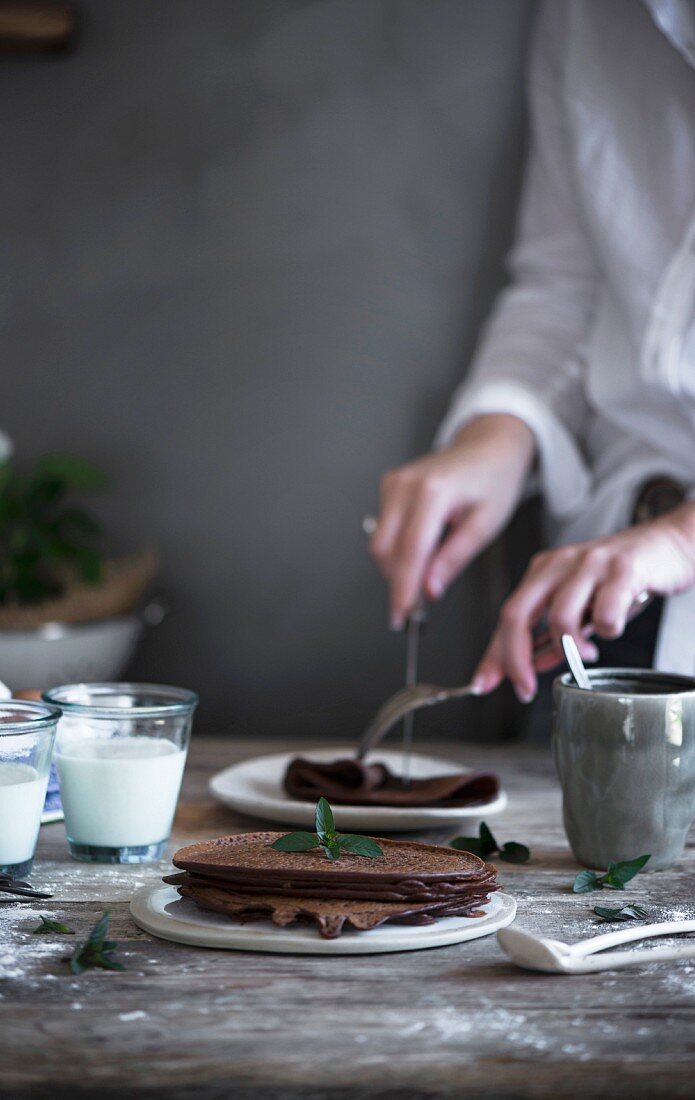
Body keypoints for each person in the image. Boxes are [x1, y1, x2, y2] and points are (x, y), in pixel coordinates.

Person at [370, 0, 695, 705]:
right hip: (600, 603)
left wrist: (682, 542)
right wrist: (499, 430)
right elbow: (565, 282)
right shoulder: (586, 15)